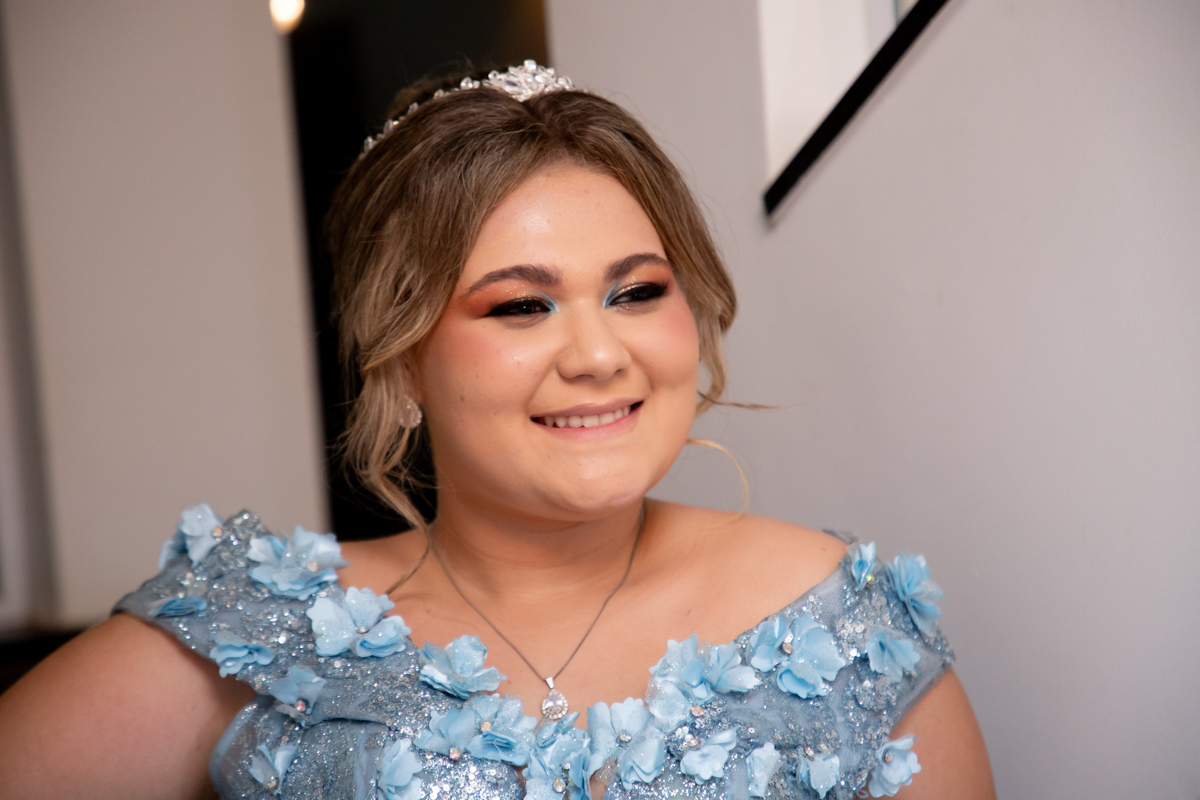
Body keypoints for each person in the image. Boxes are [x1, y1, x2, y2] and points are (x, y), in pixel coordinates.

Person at [0, 62, 994, 799]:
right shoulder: (270, 626)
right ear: (403, 361)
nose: (598, 354)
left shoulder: (845, 629)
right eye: (521, 306)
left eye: (638, 292)